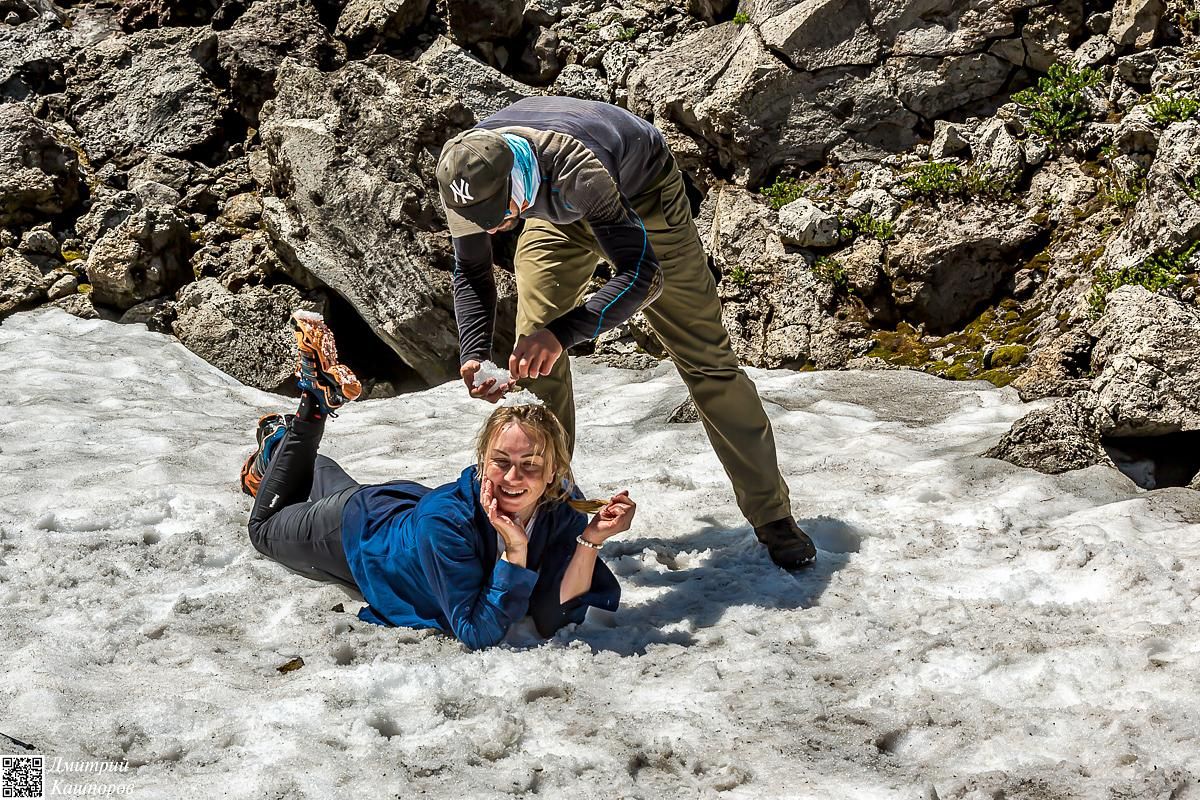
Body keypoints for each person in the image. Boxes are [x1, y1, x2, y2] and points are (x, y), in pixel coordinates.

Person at [434, 95, 816, 569]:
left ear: (516, 175)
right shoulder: (464, 173)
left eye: (499, 216)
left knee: (706, 362)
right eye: (483, 221)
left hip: (642, 199)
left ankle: (772, 516)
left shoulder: (576, 168)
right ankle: (545, 518)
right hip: (554, 215)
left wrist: (563, 332)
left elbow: (642, 274)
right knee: (533, 361)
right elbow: (471, 271)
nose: (491, 231)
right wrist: (474, 353)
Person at [240, 311, 631, 650]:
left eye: (530, 464)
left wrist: (590, 539)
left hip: (390, 507)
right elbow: (477, 632)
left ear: (553, 474)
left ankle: (277, 441)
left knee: (336, 490)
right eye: (500, 461)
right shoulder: (445, 522)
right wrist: (515, 551)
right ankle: (312, 402)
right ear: (481, 463)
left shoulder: (558, 503)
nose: (513, 477)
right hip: (356, 534)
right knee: (263, 529)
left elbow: (555, 612)